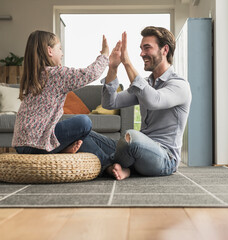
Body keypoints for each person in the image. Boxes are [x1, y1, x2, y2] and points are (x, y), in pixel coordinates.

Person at [12, 30, 113, 173]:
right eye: (60, 49)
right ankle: (111, 163)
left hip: (21, 146)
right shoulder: (55, 74)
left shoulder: (33, 77)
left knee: (81, 136)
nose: (62, 53)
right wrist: (104, 55)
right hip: (39, 144)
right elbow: (90, 74)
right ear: (49, 51)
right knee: (84, 122)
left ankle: (109, 165)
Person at [102, 26, 192, 180]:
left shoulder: (180, 85)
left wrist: (127, 63)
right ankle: (121, 166)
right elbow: (110, 103)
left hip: (164, 158)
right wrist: (113, 68)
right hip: (138, 151)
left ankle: (108, 164)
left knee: (132, 138)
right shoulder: (145, 83)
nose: (142, 53)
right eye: (141, 48)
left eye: (147, 48)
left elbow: (153, 100)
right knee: (85, 131)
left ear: (164, 50)